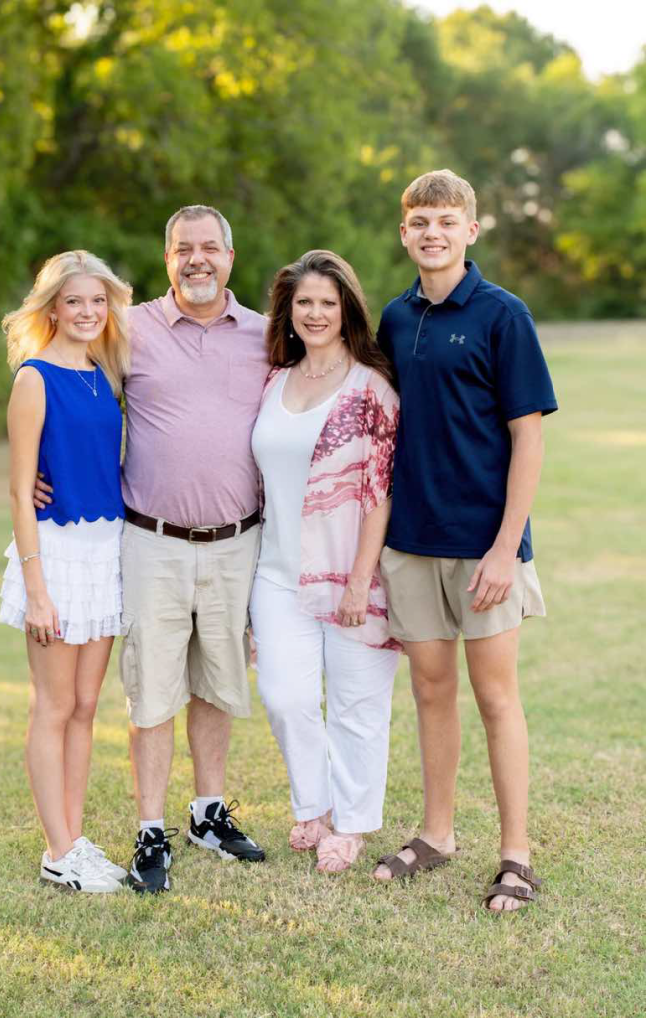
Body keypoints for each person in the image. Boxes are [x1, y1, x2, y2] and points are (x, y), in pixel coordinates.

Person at [35, 207, 269, 894]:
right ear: (167, 259)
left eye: (209, 248)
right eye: (182, 249)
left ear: (230, 254)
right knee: (152, 690)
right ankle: (149, 827)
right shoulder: (127, 330)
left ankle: (207, 812)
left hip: (236, 541)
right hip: (150, 540)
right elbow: (61, 381)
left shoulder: (264, 334)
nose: (197, 260)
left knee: (218, 681)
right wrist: (32, 474)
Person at [372, 170, 558, 910]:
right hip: (412, 541)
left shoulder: (502, 315)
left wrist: (506, 547)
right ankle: (438, 834)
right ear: (405, 232)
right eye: (419, 221)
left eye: (446, 221)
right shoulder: (394, 317)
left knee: (496, 697)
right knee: (429, 690)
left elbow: (528, 439)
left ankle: (516, 855)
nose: (432, 233)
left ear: (471, 231)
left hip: (486, 546)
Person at [249, 250, 401, 873]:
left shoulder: (371, 390)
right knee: (285, 697)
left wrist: (361, 580)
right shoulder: (273, 381)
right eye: (303, 302)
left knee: (357, 706)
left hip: (351, 575)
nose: (314, 313)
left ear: (347, 312)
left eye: (327, 303)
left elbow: (381, 492)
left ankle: (352, 821)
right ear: (288, 311)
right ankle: (311, 802)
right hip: (278, 571)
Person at [0, 250, 132, 892]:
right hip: (54, 555)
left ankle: (75, 841)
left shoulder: (103, 373)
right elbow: (22, 492)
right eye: (74, 301)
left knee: (85, 706)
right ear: (51, 307)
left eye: (97, 301)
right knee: (53, 705)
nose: (87, 312)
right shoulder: (35, 377)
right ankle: (58, 852)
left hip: (105, 550)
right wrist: (37, 590)